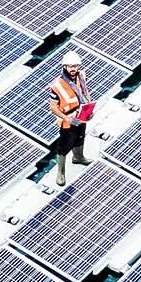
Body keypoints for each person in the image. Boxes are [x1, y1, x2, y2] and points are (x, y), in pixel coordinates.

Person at [48, 49, 93, 186]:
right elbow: (53, 107)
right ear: (65, 66)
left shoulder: (81, 76)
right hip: (68, 120)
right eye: (71, 66)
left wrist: (89, 109)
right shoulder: (56, 86)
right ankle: (60, 173)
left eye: (76, 66)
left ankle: (78, 157)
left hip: (82, 115)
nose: (73, 69)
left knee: (80, 138)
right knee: (63, 146)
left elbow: (85, 91)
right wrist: (67, 119)